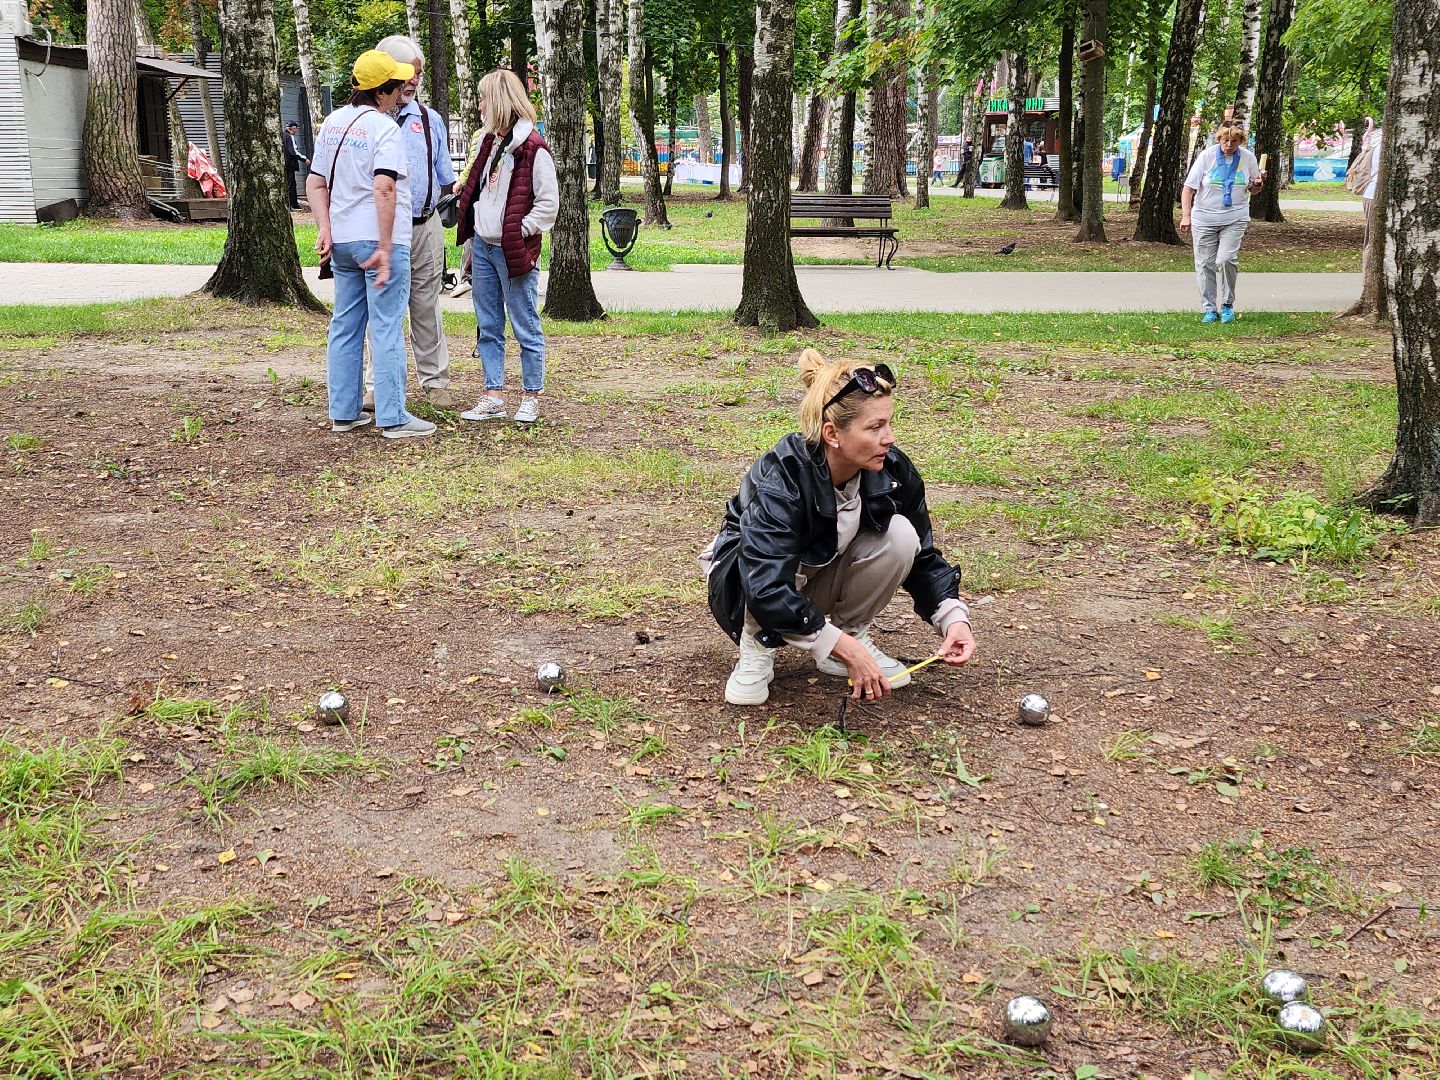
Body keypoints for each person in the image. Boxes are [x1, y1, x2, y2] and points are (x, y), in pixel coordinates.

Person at [702, 349, 977, 707]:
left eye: (890, 423)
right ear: (832, 434)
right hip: (743, 590)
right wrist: (836, 644)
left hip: (815, 574)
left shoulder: (892, 471)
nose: (889, 438)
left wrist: (953, 620)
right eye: (875, 427)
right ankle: (758, 644)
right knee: (781, 561)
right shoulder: (782, 477)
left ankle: (848, 637)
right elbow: (764, 581)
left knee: (901, 535)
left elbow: (923, 556)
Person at [306, 50, 436, 440]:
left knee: (345, 325)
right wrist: (383, 245)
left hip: (343, 241)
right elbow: (384, 186)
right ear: (382, 91)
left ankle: (343, 411)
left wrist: (326, 229)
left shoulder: (332, 123)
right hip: (379, 241)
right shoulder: (385, 129)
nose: (402, 92)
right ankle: (394, 417)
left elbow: (315, 183)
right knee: (386, 325)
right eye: (397, 86)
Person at [453, 69, 558, 426]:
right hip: (482, 247)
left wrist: (517, 232)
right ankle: (493, 394)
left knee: (525, 322)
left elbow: (548, 205)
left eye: (483, 99)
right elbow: (480, 189)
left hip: (513, 251)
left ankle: (531, 396)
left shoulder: (533, 148)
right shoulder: (488, 142)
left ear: (498, 102)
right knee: (488, 323)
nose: (479, 106)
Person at [374, 35, 458, 409]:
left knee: (426, 304)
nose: (413, 82)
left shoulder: (430, 119)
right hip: (382, 229)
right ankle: (379, 386)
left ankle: (435, 382)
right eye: (408, 73)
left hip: (426, 225)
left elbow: (443, 177)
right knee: (383, 307)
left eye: (419, 75)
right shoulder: (369, 120)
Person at [1180, 119, 1264, 325]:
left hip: (1235, 217)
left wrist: (1258, 184)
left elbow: (1254, 188)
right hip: (1204, 217)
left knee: (1226, 259)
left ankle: (1227, 305)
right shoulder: (1206, 156)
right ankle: (1209, 308)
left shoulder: (1248, 158)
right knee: (1205, 263)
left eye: (1234, 141)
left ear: (1241, 141)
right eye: (1226, 140)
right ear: (1219, 139)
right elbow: (1188, 188)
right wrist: (1186, 215)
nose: (1229, 145)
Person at [282, 121, 307, 210]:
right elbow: (293, 151)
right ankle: (293, 205)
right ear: (291, 128)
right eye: (295, 128)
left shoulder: (283, 136)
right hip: (289, 164)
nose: (296, 130)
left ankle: (290, 204)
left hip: (285, 164)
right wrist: (304, 159)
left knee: (289, 184)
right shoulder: (290, 137)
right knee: (291, 185)